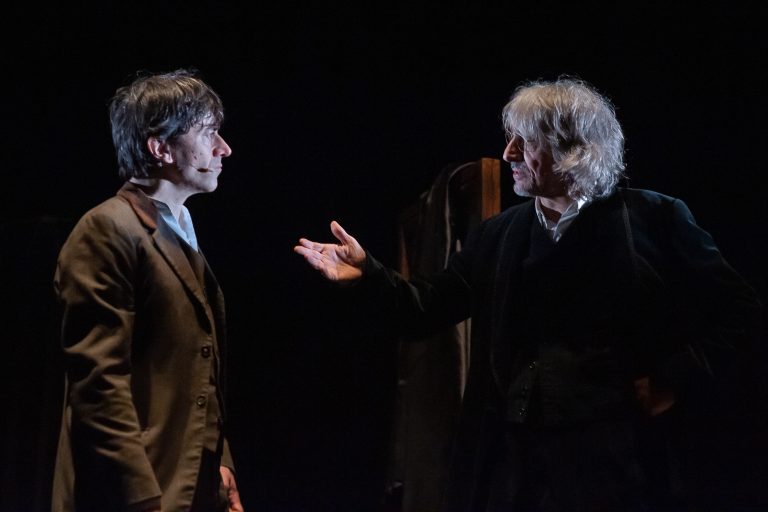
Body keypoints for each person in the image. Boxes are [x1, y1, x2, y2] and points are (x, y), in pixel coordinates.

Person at [294, 78, 764, 511]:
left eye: (525, 141)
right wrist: (368, 274)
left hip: (618, 469)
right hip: (511, 471)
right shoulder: (498, 235)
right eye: (510, 139)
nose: (508, 153)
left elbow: (742, 313)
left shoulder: (654, 219)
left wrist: (673, 377)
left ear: (575, 148)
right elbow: (424, 309)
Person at [51, 69, 244, 512]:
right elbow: (99, 385)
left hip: (186, 482)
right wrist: (140, 497)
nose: (224, 148)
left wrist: (219, 463)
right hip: (135, 492)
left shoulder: (179, 230)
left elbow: (196, 366)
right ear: (160, 148)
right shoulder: (107, 229)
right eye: (208, 133)